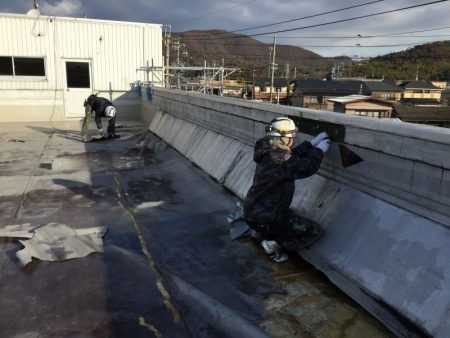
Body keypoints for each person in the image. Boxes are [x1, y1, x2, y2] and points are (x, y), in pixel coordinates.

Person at [243, 117, 330, 262]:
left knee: (289, 216)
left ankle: (261, 234)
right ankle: (273, 244)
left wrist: (310, 145)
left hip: (254, 214)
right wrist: (318, 151)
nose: (293, 141)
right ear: (283, 139)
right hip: (266, 218)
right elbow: (305, 168)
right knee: (313, 230)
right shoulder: (278, 158)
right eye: (291, 138)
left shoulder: (267, 148)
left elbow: (290, 156)